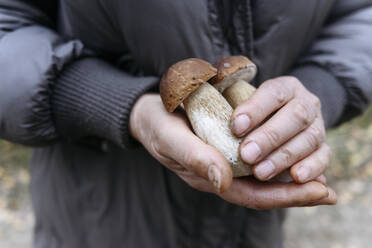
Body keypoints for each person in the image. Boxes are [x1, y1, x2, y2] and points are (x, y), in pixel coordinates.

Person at [0, 0, 371, 247]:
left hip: (255, 231)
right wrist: (116, 104)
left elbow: (361, 16)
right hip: (98, 219)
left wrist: (321, 89)